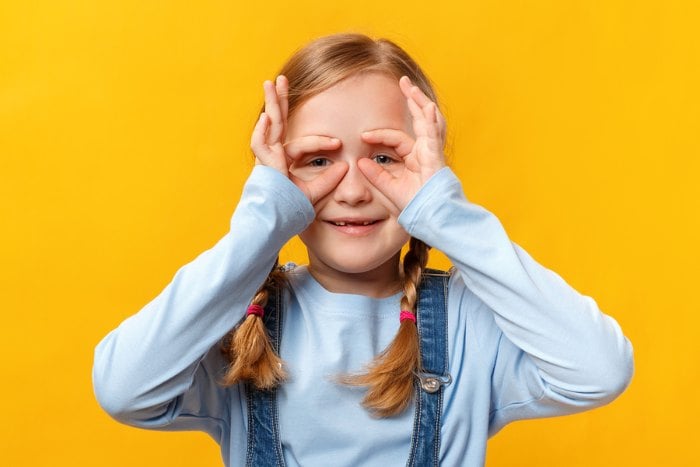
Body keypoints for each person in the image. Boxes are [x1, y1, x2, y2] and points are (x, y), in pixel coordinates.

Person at [92, 33, 634, 467]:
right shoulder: (238, 323)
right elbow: (124, 389)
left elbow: (599, 370)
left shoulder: (471, 322)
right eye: (318, 161)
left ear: (426, 172)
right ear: (275, 178)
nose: (352, 190)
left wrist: (445, 214)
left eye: (384, 156)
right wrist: (261, 226)